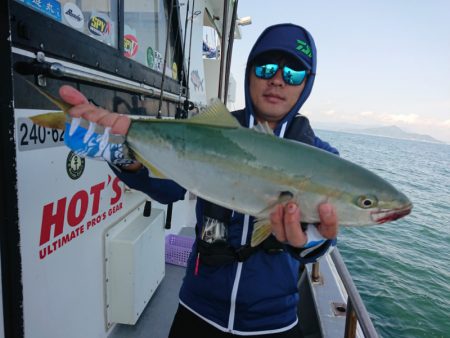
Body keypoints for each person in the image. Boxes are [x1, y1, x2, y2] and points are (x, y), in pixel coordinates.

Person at [59, 23, 339, 337]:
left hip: (272, 321)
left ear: (307, 84)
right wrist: (122, 155)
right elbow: (167, 188)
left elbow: (322, 242)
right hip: (198, 308)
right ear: (249, 73)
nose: (277, 80)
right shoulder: (212, 134)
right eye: (267, 67)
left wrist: (308, 239)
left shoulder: (322, 159)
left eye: (294, 74)